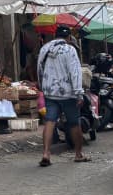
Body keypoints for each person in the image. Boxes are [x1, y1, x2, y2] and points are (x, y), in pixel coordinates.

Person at [38, 26, 89, 166]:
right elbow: (75, 72)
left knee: (50, 121)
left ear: (55, 35)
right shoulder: (70, 49)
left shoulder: (45, 48)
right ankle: (78, 154)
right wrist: (79, 93)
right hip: (68, 93)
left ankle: (46, 153)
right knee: (73, 123)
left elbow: (39, 69)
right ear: (68, 38)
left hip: (50, 92)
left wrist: (43, 87)